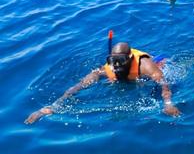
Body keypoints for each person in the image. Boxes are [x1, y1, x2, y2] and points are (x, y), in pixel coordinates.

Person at [25, 43, 181, 124]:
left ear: (130, 59)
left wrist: (168, 104)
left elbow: (164, 84)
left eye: (121, 61)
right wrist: (52, 107)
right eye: (114, 61)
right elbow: (79, 86)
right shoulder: (108, 68)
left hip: (155, 68)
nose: (117, 66)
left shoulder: (145, 65)